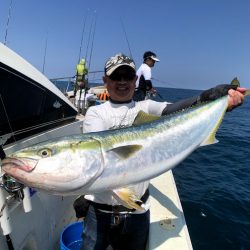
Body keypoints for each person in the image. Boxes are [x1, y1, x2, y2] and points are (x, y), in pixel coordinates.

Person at [81, 53, 246, 250]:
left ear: (136, 80)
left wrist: (210, 98)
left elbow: (175, 109)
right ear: (105, 81)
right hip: (99, 213)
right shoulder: (96, 113)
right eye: (117, 76)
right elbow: (101, 156)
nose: (123, 82)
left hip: (138, 212)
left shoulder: (146, 107)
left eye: (128, 76)